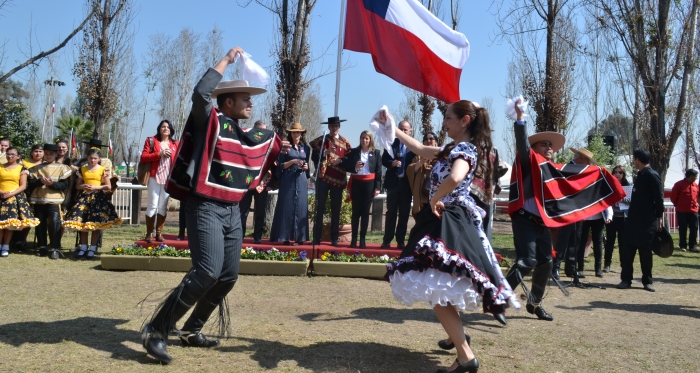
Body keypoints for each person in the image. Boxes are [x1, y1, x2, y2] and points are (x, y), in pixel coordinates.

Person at [143, 47, 287, 364]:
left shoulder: (244, 133)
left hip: (233, 211)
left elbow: (261, 148)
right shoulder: (211, 120)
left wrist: (281, 151)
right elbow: (200, 94)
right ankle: (156, 329)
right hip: (204, 206)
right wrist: (226, 60)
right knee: (206, 271)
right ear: (228, 102)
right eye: (245, 98)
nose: (251, 103)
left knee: (227, 276)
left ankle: (191, 329)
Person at [383, 101, 517, 373]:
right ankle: (459, 342)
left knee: (435, 289)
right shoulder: (452, 148)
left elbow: (456, 178)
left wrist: (435, 196)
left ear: (465, 120)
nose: (443, 123)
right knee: (438, 288)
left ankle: (466, 355)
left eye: (448, 118)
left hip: (447, 218)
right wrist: (392, 127)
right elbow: (420, 149)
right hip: (444, 217)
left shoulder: (466, 149)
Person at [506, 101, 624, 321]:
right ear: (534, 149)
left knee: (546, 262)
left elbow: (576, 179)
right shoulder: (528, 160)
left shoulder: (554, 169)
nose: (549, 148)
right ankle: (498, 300)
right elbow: (522, 144)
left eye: (551, 145)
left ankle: (535, 302)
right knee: (526, 261)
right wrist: (520, 118)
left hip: (541, 222)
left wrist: (599, 174)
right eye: (544, 145)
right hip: (524, 219)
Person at [62, 149, 122, 259]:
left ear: (99, 159)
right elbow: (77, 185)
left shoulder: (103, 170)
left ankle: (93, 248)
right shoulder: (83, 169)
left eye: (95, 158)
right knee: (83, 223)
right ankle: (83, 247)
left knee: (95, 224)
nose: (92, 160)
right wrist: (83, 186)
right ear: (87, 158)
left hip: (97, 198)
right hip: (84, 197)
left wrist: (96, 187)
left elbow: (108, 186)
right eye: (90, 158)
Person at [618, 149, 664, 292]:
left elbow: (659, 198)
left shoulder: (651, 175)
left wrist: (659, 217)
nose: (633, 162)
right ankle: (626, 279)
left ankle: (647, 281)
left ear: (637, 160)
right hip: (633, 221)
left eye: (634, 159)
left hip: (647, 221)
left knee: (645, 252)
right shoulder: (640, 175)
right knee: (627, 251)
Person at [552, 147, 595, 280]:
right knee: (562, 239)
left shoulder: (583, 171)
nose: (589, 164)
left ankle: (571, 267)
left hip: (578, 211)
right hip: (567, 210)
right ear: (582, 158)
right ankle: (555, 267)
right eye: (588, 161)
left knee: (575, 239)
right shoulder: (567, 168)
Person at [310, 116, 352, 246]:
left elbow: (350, 159)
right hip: (323, 179)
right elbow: (314, 157)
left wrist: (341, 160)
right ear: (328, 127)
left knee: (336, 209)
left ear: (339, 127)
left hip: (338, 180)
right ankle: (317, 237)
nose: (334, 128)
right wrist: (325, 152)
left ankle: (334, 238)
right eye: (332, 126)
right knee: (319, 208)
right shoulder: (322, 140)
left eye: (336, 126)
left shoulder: (345, 142)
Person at [27, 143, 73, 259]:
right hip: (39, 200)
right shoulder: (36, 168)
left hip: (55, 201)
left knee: (54, 222)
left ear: (56, 154)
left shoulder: (63, 168)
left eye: (51, 154)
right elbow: (30, 184)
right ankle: (42, 247)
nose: (48, 156)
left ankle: (55, 248)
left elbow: (64, 185)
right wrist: (40, 181)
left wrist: (52, 184)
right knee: (40, 223)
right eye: (46, 154)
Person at [270, 122, 310, 245]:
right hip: (288, 179)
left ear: (301, 134)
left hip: (301, 179)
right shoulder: (285, 147)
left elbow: (307, 165)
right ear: (290, 133)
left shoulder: (306, 148)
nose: (296, 134)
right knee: (286, 206)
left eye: (298, 132)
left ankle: (300, 237)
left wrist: (306, 167)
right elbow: (280, 166)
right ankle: (285, 237)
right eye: (294, 132)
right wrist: (292, 161)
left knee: (301, 206)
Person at [140, 120, 179, 243]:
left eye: (168, 127)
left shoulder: (175, 143)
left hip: (168, 179)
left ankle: (159, 233)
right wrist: (159, 154)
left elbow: (178, 161)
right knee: (152, 205)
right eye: (163, 126)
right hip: (154, 177)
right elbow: (143, 157)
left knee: (163, 206)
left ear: (171, 130)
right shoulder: (151, 141)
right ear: (159, 128)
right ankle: (149, 233)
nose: (165, 128)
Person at [342, 130, 381, 248]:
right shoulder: (354, 152)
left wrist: (378, 187)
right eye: (362, 138)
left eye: (367, 138)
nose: (364, 140)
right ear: (360, 139)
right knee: (356, 212)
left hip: (369, 184)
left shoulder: (376, 153)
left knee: (365, 213)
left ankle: (362, 239)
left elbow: (378, 171)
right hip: (357, 183)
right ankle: (353, 239)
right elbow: (345, 165)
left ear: (370, 140)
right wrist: (354, 167)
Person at [0, 147, 39, 257]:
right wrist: (2, 192)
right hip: (1, 196)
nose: (10, 156)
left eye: (13, 154)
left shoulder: (22, 169)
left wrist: (11, 194)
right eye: (8, 154)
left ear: (18, 156)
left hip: (14, 198)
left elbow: (23, 186)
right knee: (0, 224)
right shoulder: (0, 167)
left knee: (9, 224)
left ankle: (5, 246)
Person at [381, 120, 414, 249]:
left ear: (410, 131)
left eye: (406, 129)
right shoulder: (391, 144)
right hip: (393, 183)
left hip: (406, 185)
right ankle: (387, 240)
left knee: (404, 213)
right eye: (401, 129)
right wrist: (392, 163)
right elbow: (384, 160)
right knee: (391, 213)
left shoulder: (413, 146)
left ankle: (400, 241)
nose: (403, 131)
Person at [240, 120, 272, 244]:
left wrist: (271, 183)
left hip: (261, 183)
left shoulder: (269, 145)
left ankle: (257, 236)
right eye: (259, 130)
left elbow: (273, 164)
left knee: (260, 211)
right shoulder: (247, 143)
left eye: (264, 130)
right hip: (247, 182)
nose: (261, 133)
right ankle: (240, 236)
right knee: (243, 211)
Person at [468, 146, 507, 242]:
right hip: (469, 195)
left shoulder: (491, 150)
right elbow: (500, 169)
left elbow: (500, 169)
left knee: (480, 231)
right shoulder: (462, 146)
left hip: (483, 195)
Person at [604, 165, 630, 272]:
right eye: (615, 172)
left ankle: (623, 264)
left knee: (622, 243)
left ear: (623, 174)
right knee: (610, 241)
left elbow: (631, 202)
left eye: (620, 172)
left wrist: (621, 200)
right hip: (612, 218)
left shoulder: (628, 186)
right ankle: (607, 264)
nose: (617, 174)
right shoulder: (609, 185)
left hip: (623, 218)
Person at [406, 132, 437, 217]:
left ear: (436, 141)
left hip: (436, 193)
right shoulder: (418, 155)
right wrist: (419, 164)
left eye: (431, 139)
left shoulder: (441, 155)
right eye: (426, 139)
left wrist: (433, 168)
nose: (428, 141)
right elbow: (409, 170)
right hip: (422, 193)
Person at [670, 169, 699, 253]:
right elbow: (673, 197)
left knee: (694, 228)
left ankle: (693, 245)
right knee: (683, 228)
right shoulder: (679, 184)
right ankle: (683, 245)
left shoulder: (696, 185)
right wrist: (678, 205)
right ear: (690, 176)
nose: (696, 178)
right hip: (681, 210)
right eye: (695, 176)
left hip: (693, 210)